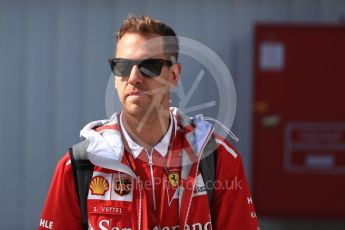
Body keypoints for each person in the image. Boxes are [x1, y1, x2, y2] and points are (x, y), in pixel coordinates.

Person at [39, 15, 259, 230]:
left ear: (174, 75)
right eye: (123, 66)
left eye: (149, 66)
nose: (134, 77)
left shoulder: (217, 157)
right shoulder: (79, 165)